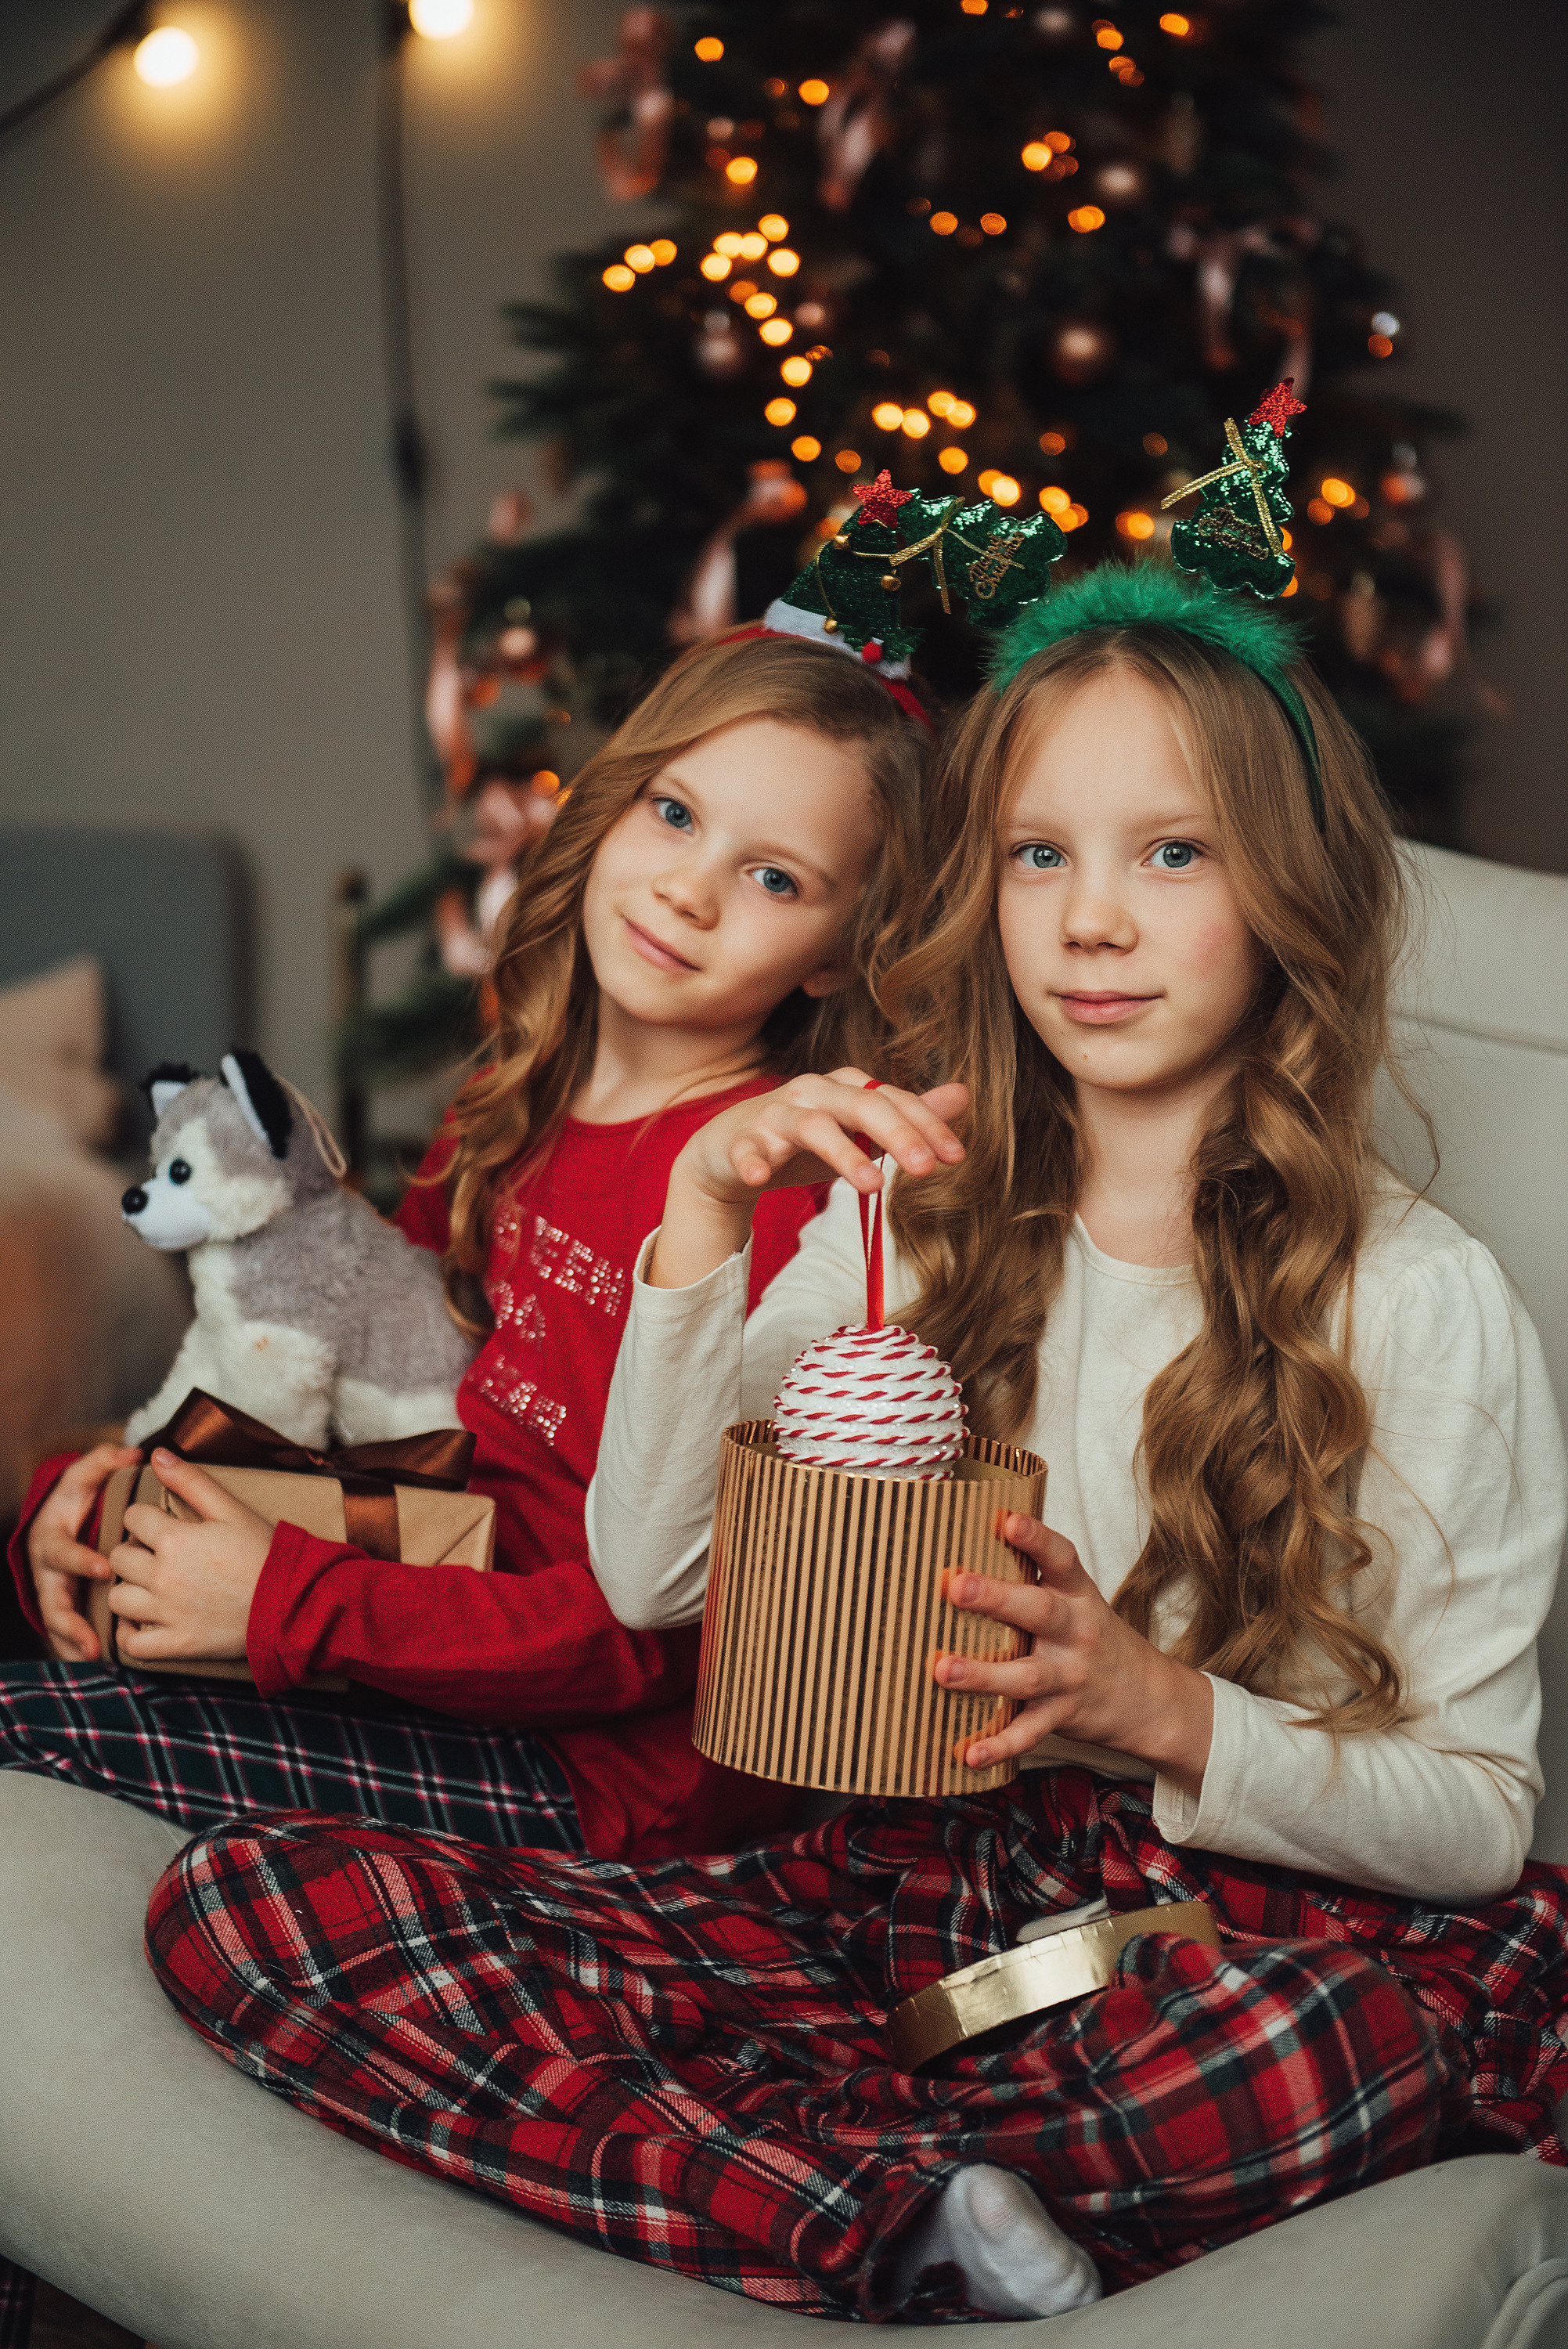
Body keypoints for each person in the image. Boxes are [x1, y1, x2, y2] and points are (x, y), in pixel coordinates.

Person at [146, 556, 1568, 2315]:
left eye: (1171, 853)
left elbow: (1479, 1822)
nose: (1091, 921)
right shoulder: (905, 1205)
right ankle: (906, 2211)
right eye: (1041, 853)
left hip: (1200, 1941)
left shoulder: (1419, 1300)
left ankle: (819, 2162)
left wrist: (1157, 1706)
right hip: (894, 1893)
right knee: (252, 1909)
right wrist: (700, 1229)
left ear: (1298, 893)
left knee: (1306, 2053)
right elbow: (655, 1578)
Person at [2, 630, 932, 1867]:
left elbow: (663, 1625)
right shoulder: (516, 1094)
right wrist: (123, 1484)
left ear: (836, 951)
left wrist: (289, 1603)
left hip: (601, 1767)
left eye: (775, 879)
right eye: (673, 813)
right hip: (413, 1616)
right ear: (610, 807)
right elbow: (347, 1356)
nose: (688, 890)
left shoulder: (767, 1195)